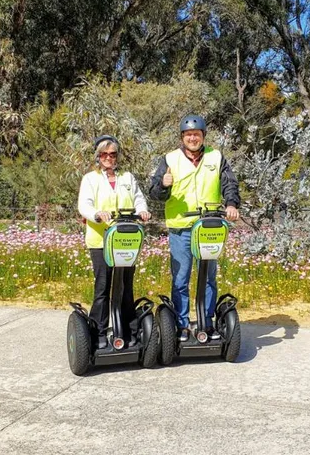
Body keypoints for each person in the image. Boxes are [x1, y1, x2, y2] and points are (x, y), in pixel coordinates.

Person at [149, 115, 240, 342]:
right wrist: (163, 185)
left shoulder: (216, 157)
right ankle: (180, 325)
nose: (192, 138)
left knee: (208, 277)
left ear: (203, 136)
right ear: (182, 137)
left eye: (196, 134)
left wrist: (231, 204)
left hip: (209, 226)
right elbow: (154, 192)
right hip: (181, 227)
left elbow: (229, 182)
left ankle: (206, 322)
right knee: (180, 278)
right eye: (188, 135)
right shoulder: (170, 159)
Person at [77, 135, 151, 349]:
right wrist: (97, 214)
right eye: (104, 154)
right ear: (98, 156)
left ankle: (129, 331)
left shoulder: (127, 177)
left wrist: (143, 211)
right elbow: (85, 205)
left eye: (113, 154)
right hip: (100, 241)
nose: (109, 158)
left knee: (126, 287)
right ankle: (99, 332)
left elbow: (138, 198)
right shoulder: (90, 179)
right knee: (103, 286)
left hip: (125, 240)